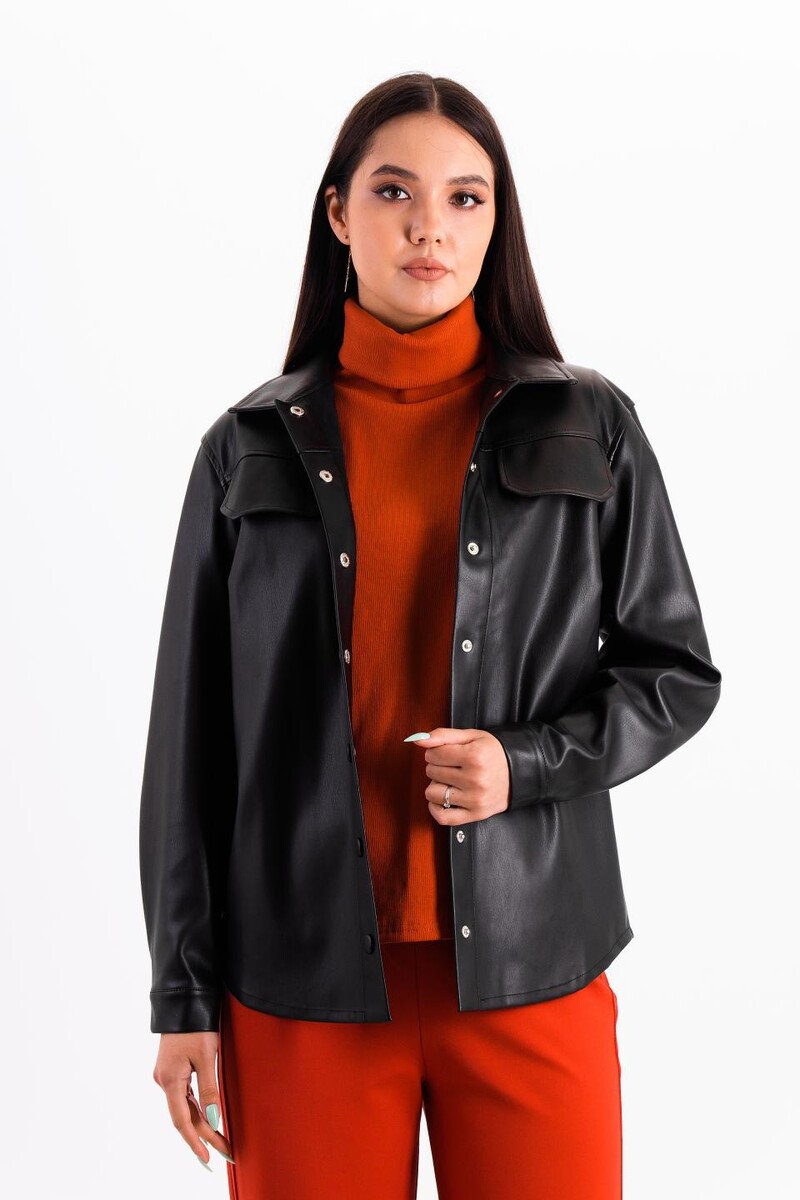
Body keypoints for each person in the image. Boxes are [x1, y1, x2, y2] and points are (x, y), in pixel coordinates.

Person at [139, 72, 722, 1199]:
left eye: (465, 198)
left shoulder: (589, 425)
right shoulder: (244, 449)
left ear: (497, 223)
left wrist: (524, 762)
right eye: (394, 191)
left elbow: (675, 673)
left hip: (533, 965)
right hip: (300, 984)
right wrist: (182, 998)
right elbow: (189, 747)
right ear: (337, 212)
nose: (428, 227)